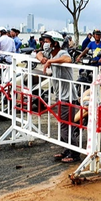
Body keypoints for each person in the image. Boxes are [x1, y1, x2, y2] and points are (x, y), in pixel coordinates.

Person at [37, 35, 80, 163]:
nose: (44, 43)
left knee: (66, 126)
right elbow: (38, 53)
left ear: (55, 43)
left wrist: (50, 62)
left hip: (68, 97)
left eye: (47, 41)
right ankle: (67, 151)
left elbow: (68, 59)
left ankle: (75, 154)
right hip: (60, 96)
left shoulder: (61, 52)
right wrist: (43, 59)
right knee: (63, 125)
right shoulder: (50, 53)